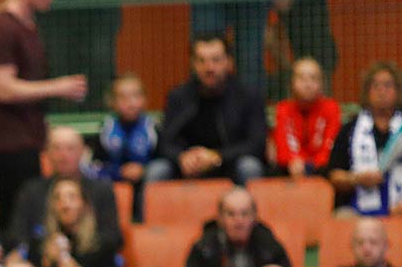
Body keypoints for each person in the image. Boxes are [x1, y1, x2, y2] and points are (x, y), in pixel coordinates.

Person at [0, 0, 88, 224]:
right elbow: (2, 88)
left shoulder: (26, 26)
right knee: (17, 219)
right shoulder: (3, 28)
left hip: (26, 137)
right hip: (10, 141)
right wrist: (58, 87)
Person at [147, 35, 269, 188]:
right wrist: (181, 157)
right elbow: (164, 142)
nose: (209, 68)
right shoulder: (178, 96)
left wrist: (217, 156)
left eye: (216, 60)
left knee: (249, 166)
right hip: (189, 165)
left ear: (228, 62)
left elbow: (256, 144)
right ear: (193, 64)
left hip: (229, 164)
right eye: (201, 61)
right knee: (157, 170)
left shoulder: (248, 96)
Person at [328, 63, 402, 219]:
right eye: (375, 85)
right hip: (357, 209)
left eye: (387, 85)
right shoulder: (349, 130)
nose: (381, 91)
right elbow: (335, 175)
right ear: (366, 92)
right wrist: (356, 179)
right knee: (341, 219)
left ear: (399, 91)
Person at [177, 187, 294, 267]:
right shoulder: (204, 248)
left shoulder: (270, 246)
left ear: (254, 217)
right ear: (220, 218)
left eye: (244, 214)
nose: (239, 221)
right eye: (231, 214)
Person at [22, 176, 124, 267]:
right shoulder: (39, 245)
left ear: (84, 204)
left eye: (71, 197)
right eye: (58, 198)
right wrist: (47, 263)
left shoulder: (101, 245)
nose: (65, 204)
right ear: (52, 207)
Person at [5, 126, 123, 255]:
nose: (63, 155)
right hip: (42, 263)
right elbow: (17, 235)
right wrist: (44, 250)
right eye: (56, 148)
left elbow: (113, 237)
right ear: (47, 153)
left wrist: (79, 246)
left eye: (70, 148)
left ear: (83, 152)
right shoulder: (31, 190)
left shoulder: (101, 190)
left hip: (91, 260)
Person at [92, 73, 158, 218]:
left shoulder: (153, 128)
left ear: (144, 100)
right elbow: (96, 165)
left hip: (144, 184)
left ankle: (148, 219)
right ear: (112, 102)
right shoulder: (106, 130)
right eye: (123, 97)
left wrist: (143, 170)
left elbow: (163, 160)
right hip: (114, 184)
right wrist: (119, 172)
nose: (130, 102)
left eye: (135, 96)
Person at [273, 57, 340, 178]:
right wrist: (294, 161)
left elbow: (330, 145)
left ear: (321, 83)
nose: (308, 84)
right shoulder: (283, 109)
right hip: (291, 167)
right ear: (292, 82)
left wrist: (311, 166)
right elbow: (283, 145)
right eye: (301, 78)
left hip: (321, 168)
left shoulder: (331, 108)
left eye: (313, 78)